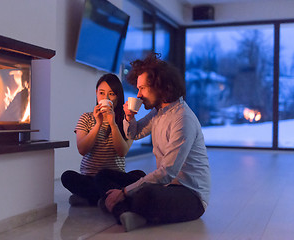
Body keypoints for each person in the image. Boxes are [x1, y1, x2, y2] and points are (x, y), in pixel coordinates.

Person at [95, 53, 211, 232]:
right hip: (165, 186)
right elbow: (135, 133)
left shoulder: (183, 118)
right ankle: (128, 213)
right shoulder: (159, 112)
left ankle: (119, 207)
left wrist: (125, 192)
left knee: (144, 195)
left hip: (189, 195)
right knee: (104, 176)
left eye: (142, 88)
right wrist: (128, 116)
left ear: (161, 87)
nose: (139, 94)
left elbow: (167, 172)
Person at [61, 73, 145, 206]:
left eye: (111, 94)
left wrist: (113, 124)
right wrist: (98, 124)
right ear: (96, 93)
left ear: (118, 97)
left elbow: (122, 151)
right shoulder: (86, 118)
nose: (105, 98)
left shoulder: (127, 121)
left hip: (113, 177)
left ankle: (92, 199)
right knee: (67, 176)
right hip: (90, 177)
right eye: (101, 93)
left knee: (139, 175)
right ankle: (113, 196)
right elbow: (82, 149)